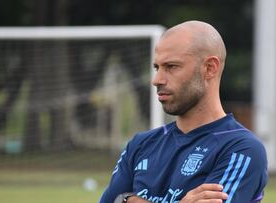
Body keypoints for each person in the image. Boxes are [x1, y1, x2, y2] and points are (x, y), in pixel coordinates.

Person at [99, 20, 267, 203]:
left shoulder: (241, 149)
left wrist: (129, 200)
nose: (157, 79)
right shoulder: (140, 144)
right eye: (157, 67)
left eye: (171, 67)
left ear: (210, 68)